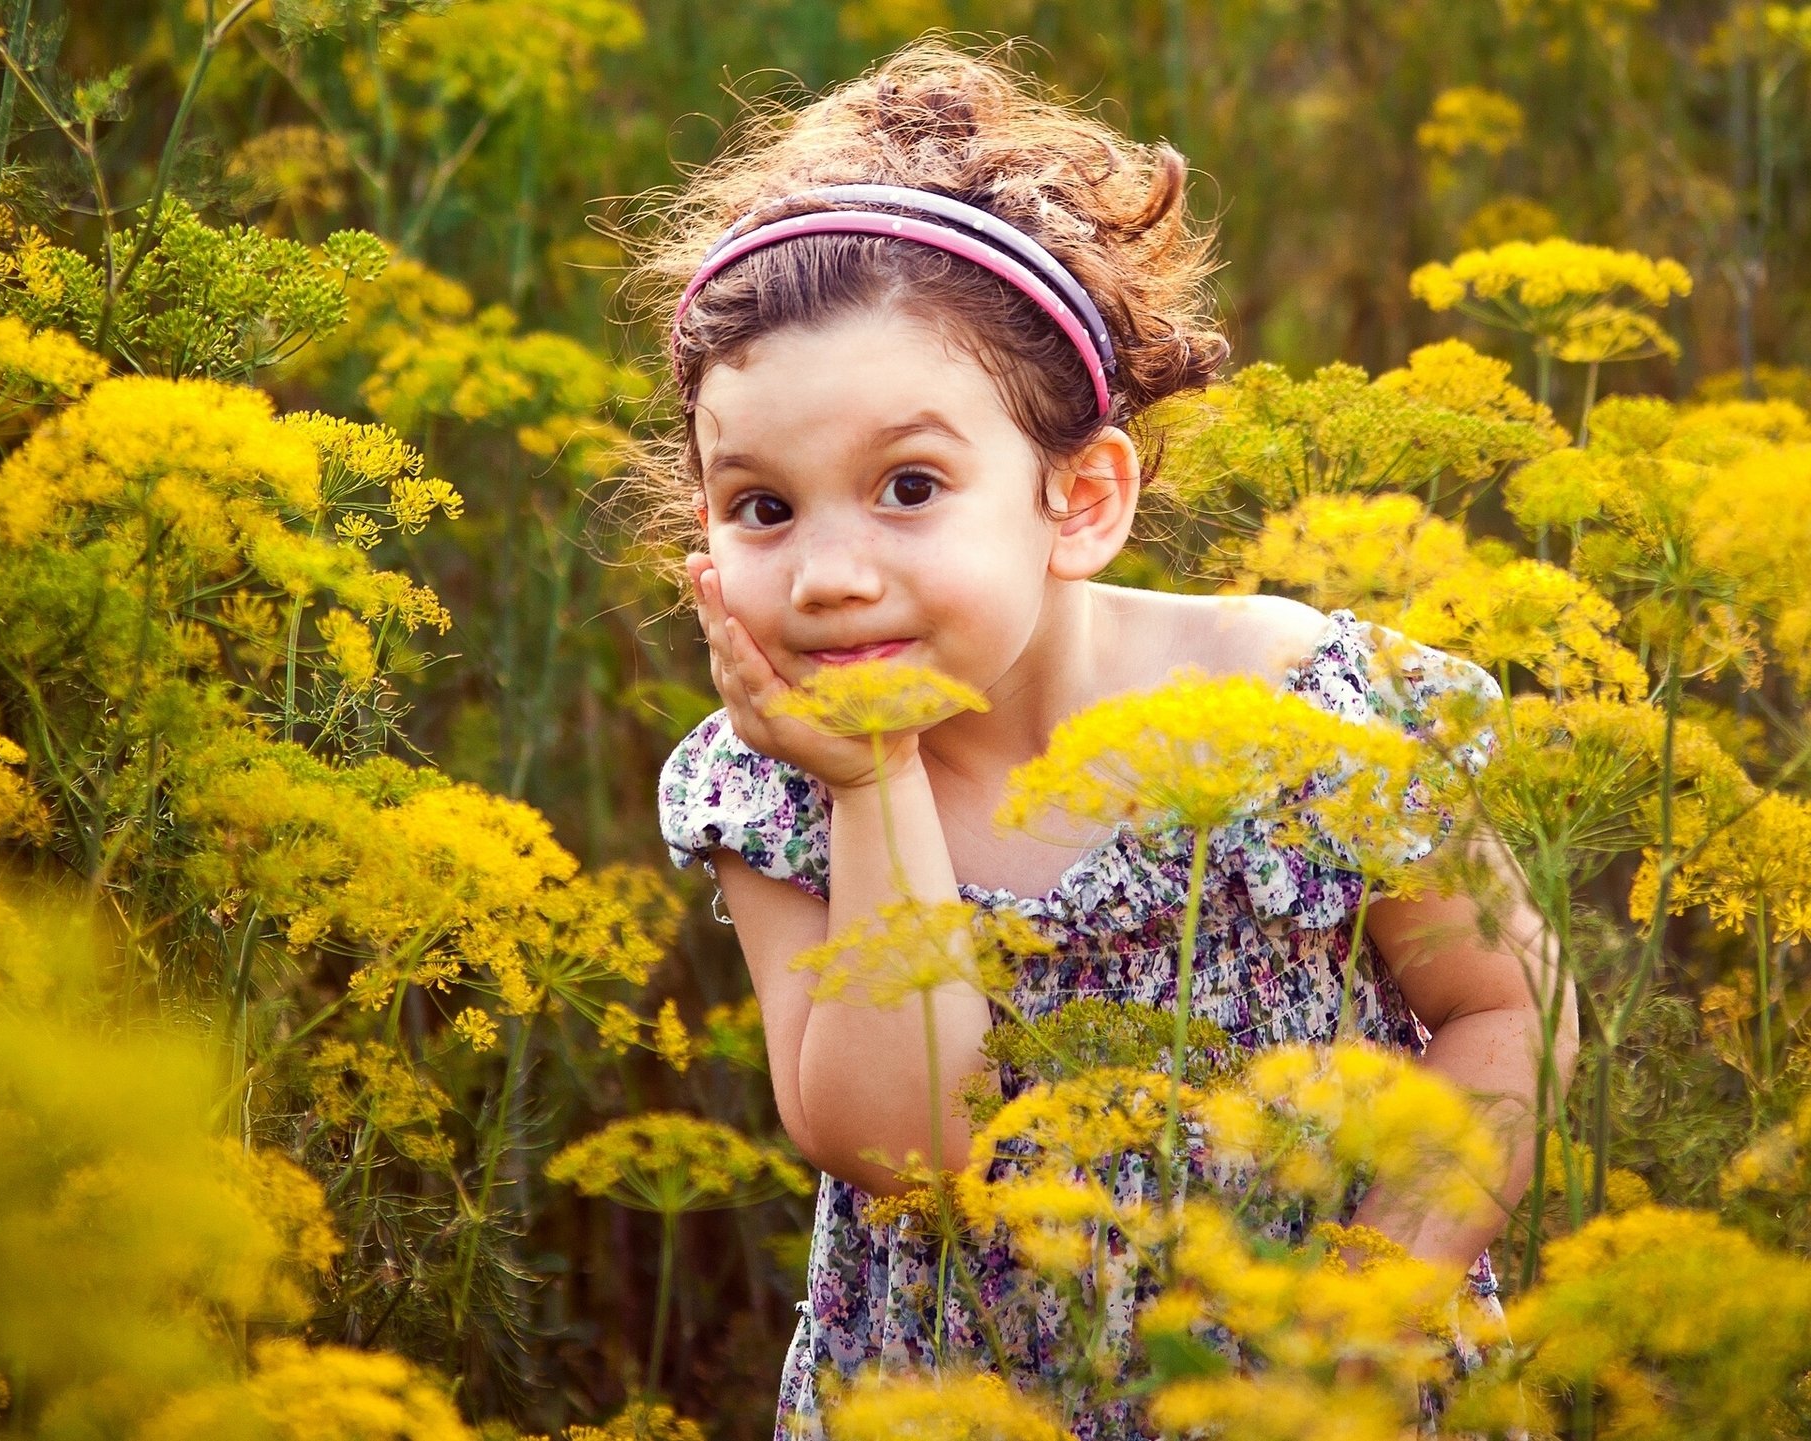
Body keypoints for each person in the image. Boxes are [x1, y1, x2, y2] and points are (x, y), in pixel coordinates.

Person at [636, 40, 1574, 1441]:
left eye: (907, 486)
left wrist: (1368, 1315)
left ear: (1079, 498)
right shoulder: (773, 786)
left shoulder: (1309, 712)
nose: (828, 575)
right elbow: (906, 1145)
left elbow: (1516, 1013)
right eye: (762, 506)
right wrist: (873, 779)